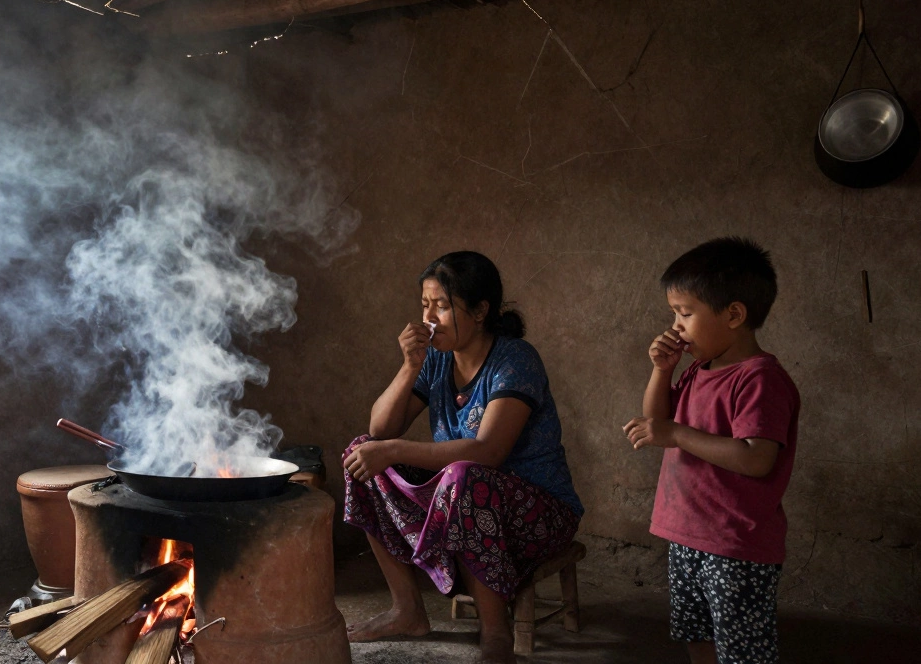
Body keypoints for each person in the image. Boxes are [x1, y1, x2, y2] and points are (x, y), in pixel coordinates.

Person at [342, 251, 583, 664]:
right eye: (425, 305)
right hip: (461, 498)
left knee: (466, 477)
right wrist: (408, 366)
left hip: (538, 512)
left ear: (480, 310)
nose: (429, 318)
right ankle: (407, 609)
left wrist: (395, 450)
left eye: (442, 305)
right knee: (361, 453)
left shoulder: (515, 360)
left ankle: (495, 633)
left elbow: (489, 451)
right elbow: (382, 430)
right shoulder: (435, 358)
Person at [623, 237, 800, 664]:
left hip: (735, 544)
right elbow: (657, 422)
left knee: (742, 652)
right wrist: (661, 372)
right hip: (687, 536)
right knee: (697, 635)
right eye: (674, 314)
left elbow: (757, 458)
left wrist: (678, 435)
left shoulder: (760, 379)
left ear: (734, 314)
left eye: (685, 313)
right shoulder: (699, 369)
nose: (676, 326)